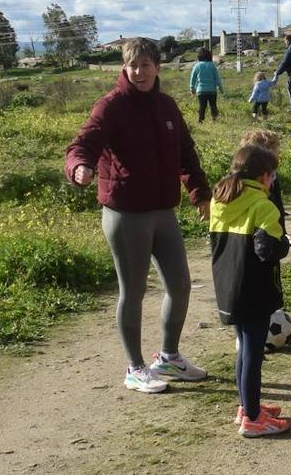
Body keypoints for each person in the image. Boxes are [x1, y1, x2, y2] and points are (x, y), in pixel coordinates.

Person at [65, 37, 211, 394]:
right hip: (126, 213)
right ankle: (135, 367)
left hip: (163, 212)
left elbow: (186, 155)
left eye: (146, 65)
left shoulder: (167, 107)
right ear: (124, 68)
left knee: (180, 285)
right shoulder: (110, 107)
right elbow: (81, 145)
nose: (139, 72)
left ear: (157, 67)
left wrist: (200, 193)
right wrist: (79, 167)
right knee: (133, 291)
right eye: (132, 65)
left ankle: (169, 357)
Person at [209, 145, 291, 437]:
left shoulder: (219, 199)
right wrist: (285, 244)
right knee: (253, 354)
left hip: (228, 284)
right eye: (273, 176)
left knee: (244, 348)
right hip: (254, 288)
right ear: (265, 176)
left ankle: (247, 406)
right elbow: (269, 250)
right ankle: (253, 419)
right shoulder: (263, 206)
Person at [239, 128, 288, 237]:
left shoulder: (273, 176)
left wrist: (282, 235)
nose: (279, 153)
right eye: (275, 149)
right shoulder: (246, 183)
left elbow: (278, 207)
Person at [189, 47, 224, 122]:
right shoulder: (212, 65)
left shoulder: (197, 66)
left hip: (201, 90)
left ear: (199, 56)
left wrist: (192, 89)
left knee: (202, 106)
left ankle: (201, 120)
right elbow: (217, 78)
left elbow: (193, 78)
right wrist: (221, 89)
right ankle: (214, 119)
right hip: (212, 90)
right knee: (213, 106)